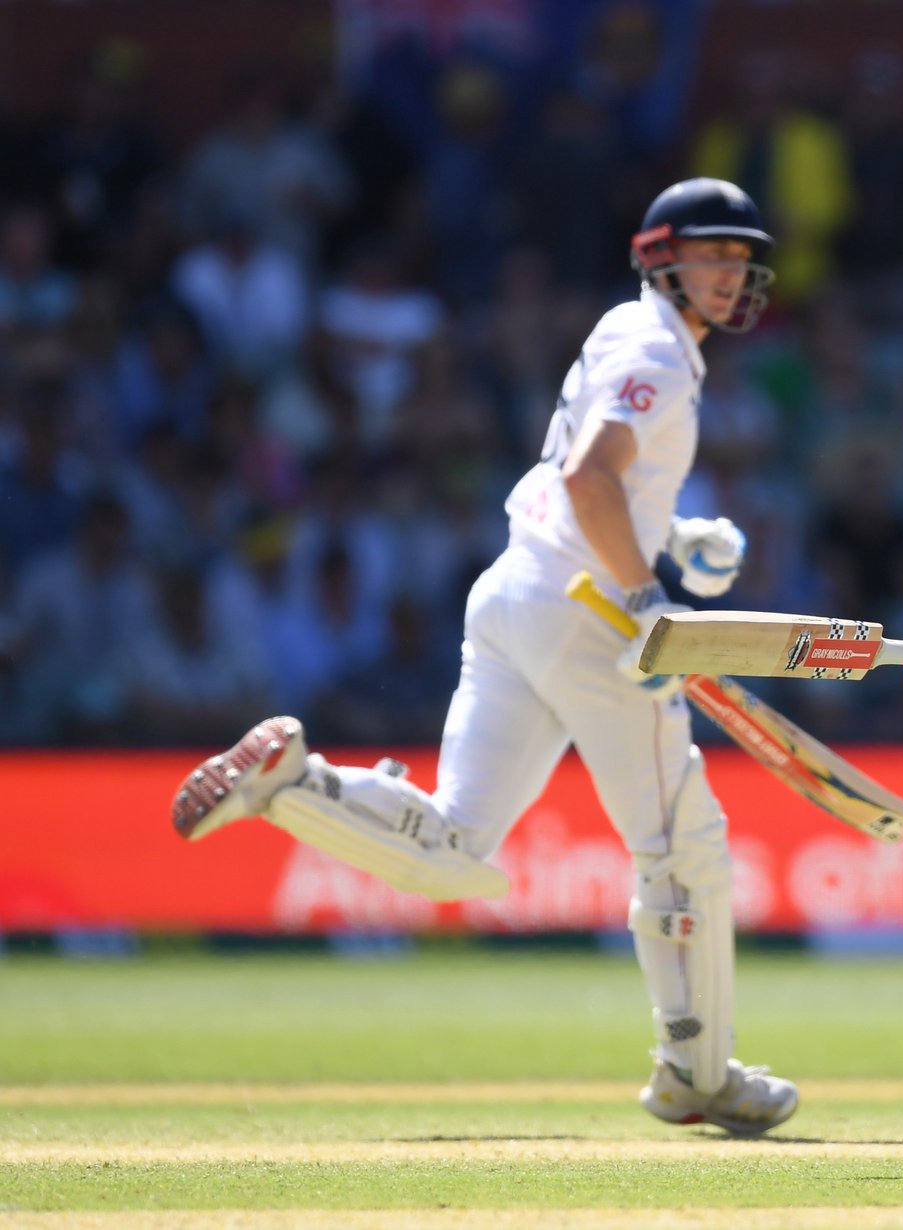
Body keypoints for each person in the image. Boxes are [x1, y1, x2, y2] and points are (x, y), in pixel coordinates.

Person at [171, 179, 799, 1136]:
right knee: (682, 850)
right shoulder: (656, 352)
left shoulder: (628, 335)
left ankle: (292, 786)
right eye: (712, 253)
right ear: (659, 257)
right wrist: (648, 601)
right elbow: (593, 474)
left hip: (515, 592)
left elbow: (596, 479)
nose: (732, 272)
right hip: (586, 613)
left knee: (457, 851)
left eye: (742, 258)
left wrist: (672, 539)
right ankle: (696, 1075)